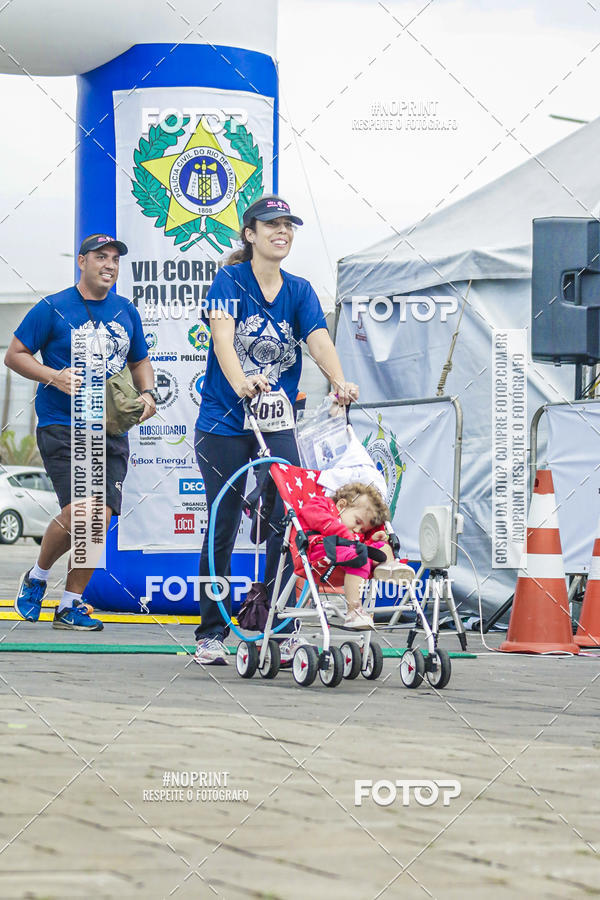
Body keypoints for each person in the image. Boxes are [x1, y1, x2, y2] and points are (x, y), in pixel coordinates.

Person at [194, 194, 359, 665]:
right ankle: (210, 632)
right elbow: (223, 338)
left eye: (288, 224)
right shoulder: (229, 279)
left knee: (286, 521)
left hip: (276, 420)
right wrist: (243, 383)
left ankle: (279, 622)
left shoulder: (300, 289)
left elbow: (318, 339)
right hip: (224, 421)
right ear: (250, 235)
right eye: (271, 225)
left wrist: (339, 380)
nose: (281, 231)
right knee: (222, 521)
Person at [4, 233, 157, 630]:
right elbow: (15, 355)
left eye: (115, 260)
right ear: (81, 261)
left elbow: (141, 361)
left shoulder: (126, 310)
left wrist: (148, 393)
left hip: (110, 428)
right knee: (81, 511)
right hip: (62, 424)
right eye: (101, 257)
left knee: (99, 519)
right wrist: (53, 376)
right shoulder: (52, 308)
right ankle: (37, 576)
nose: (109, 265)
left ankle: (70, 604)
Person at [299, 482, 413, 628]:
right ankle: (354, 610)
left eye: (362, 529)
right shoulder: (322, 505)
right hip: (322, 552)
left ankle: (389, 566)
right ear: (341, 505)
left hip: (348, 557)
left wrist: (372, 540)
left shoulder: (355, 534)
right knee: (360, 556)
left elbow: (357, 543)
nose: (358, 529)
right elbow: (317, 517)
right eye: (357, 522)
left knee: (381, 546)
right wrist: (346, 535)